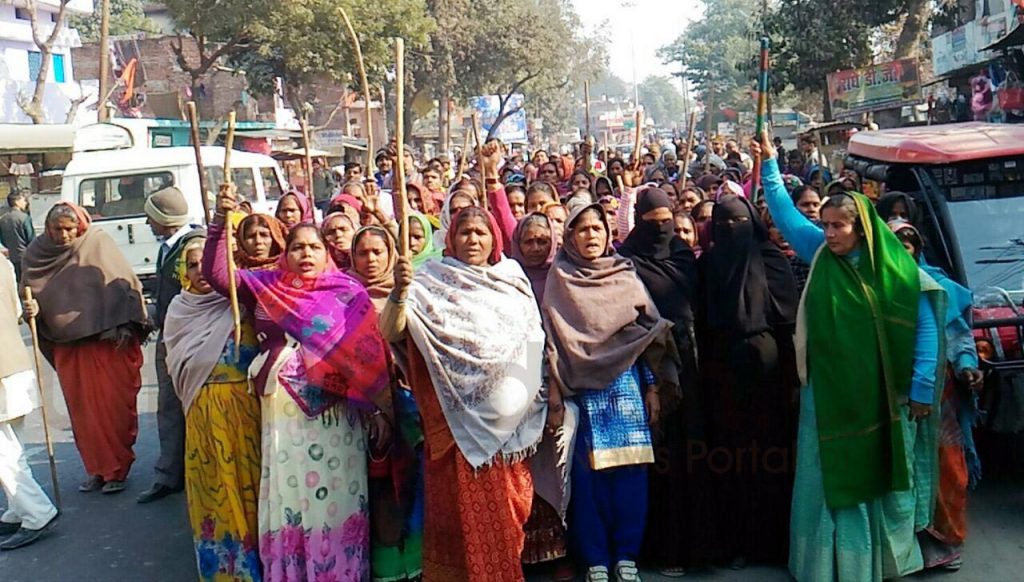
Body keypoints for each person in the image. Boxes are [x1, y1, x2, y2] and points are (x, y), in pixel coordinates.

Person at [752, 136, 942, 582]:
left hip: (882, 397)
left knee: (879, 479)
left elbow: (926, 328)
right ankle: (826, 566)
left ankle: (875, 565)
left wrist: (919, 387)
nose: (830, 233)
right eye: (826, 224)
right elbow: (783, 212)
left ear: (862, 228)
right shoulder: (819, 254)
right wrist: (769, 165)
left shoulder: (896, 269)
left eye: (839, 226)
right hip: (827, 396)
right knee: (826, 478)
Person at [205, 184, 392, 581]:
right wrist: (221, 222)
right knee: (293, 496)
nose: (306, 254)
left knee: (336, 496)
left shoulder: (348, 292)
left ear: (328, 254)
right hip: (283, 412)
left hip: (338, 414)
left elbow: (369, 358)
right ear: (284, 254)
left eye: (314, 247)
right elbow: (217, 274)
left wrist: (378, 409)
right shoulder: (265, 285)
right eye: (297, 248)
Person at [381, 206, 547, 582]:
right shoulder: (428, 280)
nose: (473, 239)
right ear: (451, 239)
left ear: (494, 239)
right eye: (464, 233)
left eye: (480, 232)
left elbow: (532, 341)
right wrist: (400, 292)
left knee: (507, 520)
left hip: (508, 424)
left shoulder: (512, 279)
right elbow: (391, 331)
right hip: (454, 424)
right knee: (456, 523)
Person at [543, 203, 680, 582]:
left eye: (597, 228)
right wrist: (554, 394)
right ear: (569, 237)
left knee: (631, 474)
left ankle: (626, 556)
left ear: (608, 234)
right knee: (588, 479)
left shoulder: (625, 274)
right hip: (582, 390)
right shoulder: (561, 278)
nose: (591, 236)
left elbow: (646, 335)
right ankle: (597, 559)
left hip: (627, 389)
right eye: (582, 229)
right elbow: (552, 341)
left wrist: (653, 386)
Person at [697, 194, 800, 569]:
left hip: (770, 373)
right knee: (730, 460)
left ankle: (773, 543)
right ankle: (736, 542)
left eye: (738, 223)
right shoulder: (708, 264)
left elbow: (788, 324)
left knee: (774, 457)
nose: (730, 231)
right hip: (722, 373)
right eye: (722, 225)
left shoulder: (771, 259)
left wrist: (791, 380)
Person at [22, 202, 149, 496]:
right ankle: (96, 469)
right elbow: (29, 295)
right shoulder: (36, 254)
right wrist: (30, 308)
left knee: (112, 411)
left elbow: (125, 286)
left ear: (79, 225)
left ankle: (116, 468)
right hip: (69, 347)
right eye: (58, 229)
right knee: (82, 414)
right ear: (48, 229)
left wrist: (127, 325)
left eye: (70, 228)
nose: (65, 235)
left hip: (106, 344)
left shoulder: (98, 242)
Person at [888, 221, 983, 572]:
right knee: (903, 468)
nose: (903, 250)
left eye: (909, 245)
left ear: (918, 249)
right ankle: (907, 546)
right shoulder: (877, 286)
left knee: (947, 465)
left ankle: (944, 540)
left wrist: (967, 365)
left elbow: (959, 336)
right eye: (894, 244)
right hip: (892, 393)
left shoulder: (938, 287)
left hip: (938, 395)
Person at [164, 237, 261, 581]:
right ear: (184, 272)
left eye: (206, 262)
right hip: (204, 416)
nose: (201, 270)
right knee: (215, 492)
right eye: (192, 264)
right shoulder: (179, 310)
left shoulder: (242, 302)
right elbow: (178, 370)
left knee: (253, 491)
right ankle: (228, 572)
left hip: (249, 415)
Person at [347, 226, 424, 582]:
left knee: (414, 484)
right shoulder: (342, 296)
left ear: (392, 254)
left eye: (379, 251)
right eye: (363, 253)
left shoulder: (413, 291)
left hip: (410, 402)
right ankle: (388, 568)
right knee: (380, 490)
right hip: (363, 408)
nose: (371, 259)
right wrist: (373, 406)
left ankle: (420, 560)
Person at [139, 187, 206, 504]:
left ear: (162, 219)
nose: (147, 223)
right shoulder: (170, 247)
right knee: (169, 405)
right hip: (172, 330)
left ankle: (180, 472)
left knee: (184, 404)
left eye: (151, 216)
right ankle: (172, 472)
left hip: (190, 335)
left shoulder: (192, 245)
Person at [0, 253, 58, 550]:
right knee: (12, 445)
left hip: (3, 367)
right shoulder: (3, 261)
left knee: (4, 453)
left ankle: (36, 512)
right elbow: (15, 311)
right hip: (12, 361)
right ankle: (19, 509)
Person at [0, 191, 35, 283]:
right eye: (23, 200)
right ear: (17, 201)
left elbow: (3, 240)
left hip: (13, 256)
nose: (25, 203)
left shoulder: (3, 219)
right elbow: (31, 238)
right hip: (26, 255)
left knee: (18, 281)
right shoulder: (24, 218)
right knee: (29, 282)